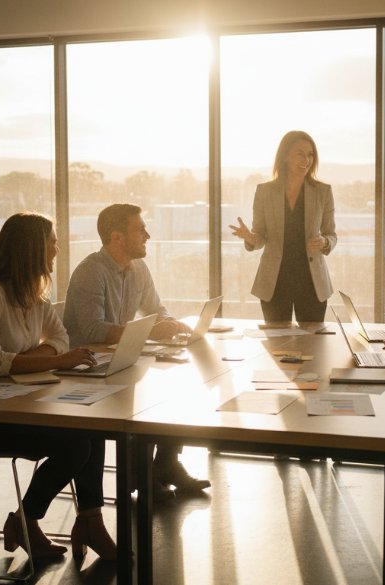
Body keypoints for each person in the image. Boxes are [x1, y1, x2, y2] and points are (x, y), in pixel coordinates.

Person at [0, 212, 117, 561]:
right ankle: (26, 521)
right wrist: (51, 360)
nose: (57, 248)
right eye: (52, 241)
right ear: (32, 248)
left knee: (91, 430)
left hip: (10, 401)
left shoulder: (34, 295)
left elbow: (60, 337)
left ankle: (89, 521)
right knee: (76, 445)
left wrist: (29, 356)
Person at [64, 203, 211, 494]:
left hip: (119, 359)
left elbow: (156, 309)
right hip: (85, 367)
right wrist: (147, 333)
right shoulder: (90, 272)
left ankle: (166, 463)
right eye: (140, 229)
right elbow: (93, 331)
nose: (148, 235)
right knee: (146, 395)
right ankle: (139, 473)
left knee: (176, 384)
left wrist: (172, 325)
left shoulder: (138, 268)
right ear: (116, 237)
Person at [229, 130, 337, 323]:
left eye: (310, 154)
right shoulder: (264, 192)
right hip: (275, 283)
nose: (307, 159)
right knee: (276, 346)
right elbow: (260, 235)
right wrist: (249, 237)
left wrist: (324, 242)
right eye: (300, 153)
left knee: (313, 345)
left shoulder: (323, 192)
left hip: (312, 283)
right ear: (285, 156)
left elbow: (331, 235)